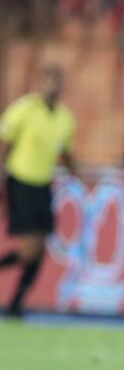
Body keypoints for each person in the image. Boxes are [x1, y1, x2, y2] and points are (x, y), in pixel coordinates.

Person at [0, 65, 79, 318]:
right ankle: (15, 303)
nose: (53, 87)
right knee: (29, 250)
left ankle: (16, 304)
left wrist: (80, 175)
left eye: (57, 82)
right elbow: (5, 144)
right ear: (39, 83)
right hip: (20, 182)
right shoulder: (24, 109)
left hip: (43, 186)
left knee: (40, 251)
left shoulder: (65, 118)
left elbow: (65, 153)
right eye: (48, 81)